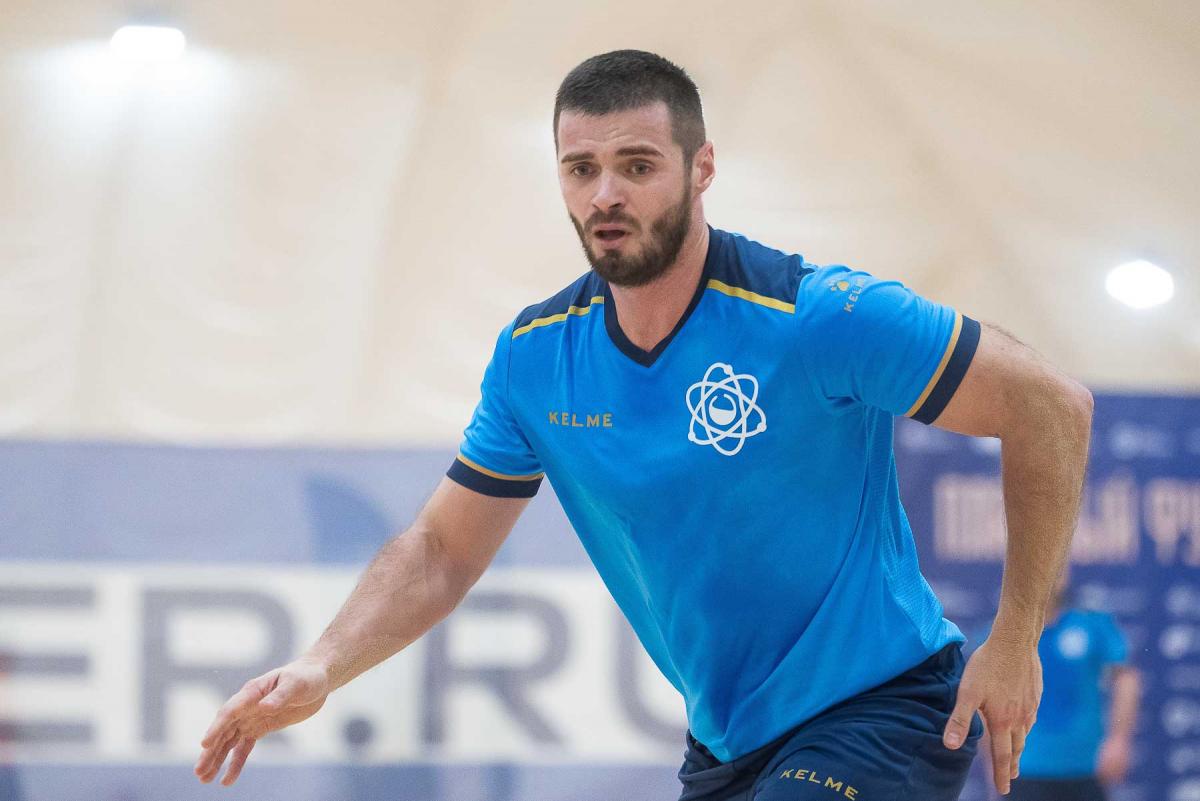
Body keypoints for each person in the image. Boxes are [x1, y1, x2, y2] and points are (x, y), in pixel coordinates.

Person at [194, 50, 1094, 800]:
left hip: (883, 705)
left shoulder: (817, 315)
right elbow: (440, 550)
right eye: (581, 169)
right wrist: (323, 664)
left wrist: (1017, 636)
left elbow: (1051, 403)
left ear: (702, 168)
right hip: (728, 743)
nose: (605, 194)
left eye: (637, 164)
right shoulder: (536, 359)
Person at [1001, 568, 1140, 801]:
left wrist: (1119, 739)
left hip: (1086, 766)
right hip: (1025, 767)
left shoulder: (1092, 622)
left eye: (1059, 565)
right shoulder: (1007, 628)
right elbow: (988, 700)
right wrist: (993, 764)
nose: (1051, 573)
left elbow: (1126, 679)